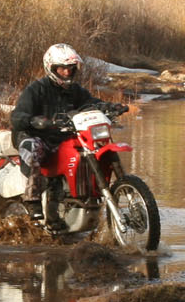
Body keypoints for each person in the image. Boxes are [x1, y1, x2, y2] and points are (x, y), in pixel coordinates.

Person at [10, 43, 126, 227]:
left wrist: (109, 107)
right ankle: (32, 199)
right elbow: (17, 116)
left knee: (83, 152)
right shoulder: (36, 89)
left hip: (61, 137)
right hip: (37, 137)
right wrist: (35, 121)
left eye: (70, 69)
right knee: (33, 148)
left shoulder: (75, 91)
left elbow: (90, 103)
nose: (67, 72)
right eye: (62, 68)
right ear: (52, 68)